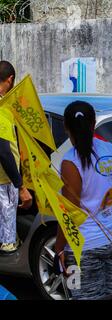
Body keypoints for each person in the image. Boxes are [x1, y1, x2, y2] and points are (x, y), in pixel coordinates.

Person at [55, 100, 112, 299]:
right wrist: (110, 196)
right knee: (107, 296)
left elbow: (70, 214)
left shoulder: (70, 162)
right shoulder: (110, 149)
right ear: (93, 124)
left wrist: (59, 247)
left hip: (83, 247)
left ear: (66, 127)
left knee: (81, 296)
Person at [0, 60, 33, 254]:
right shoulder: (3, 108)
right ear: (10, 79)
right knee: (8, 244)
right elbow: (3, 149)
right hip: (5, 179)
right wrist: (20, 186)